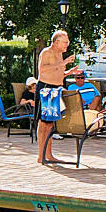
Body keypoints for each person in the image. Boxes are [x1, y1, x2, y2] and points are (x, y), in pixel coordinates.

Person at [32, 29, 74, 168]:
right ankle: (40, 155)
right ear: (56, 42)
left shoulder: (60, 54)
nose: (67, 45)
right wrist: (64, 63)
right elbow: (43, 70)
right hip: (45, 88)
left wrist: (70, 72)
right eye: (65, 42)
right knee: (43, 123)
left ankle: (49, 154)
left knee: (50, 124)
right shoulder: (47, 52)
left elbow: (57, 73)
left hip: (55, 89)